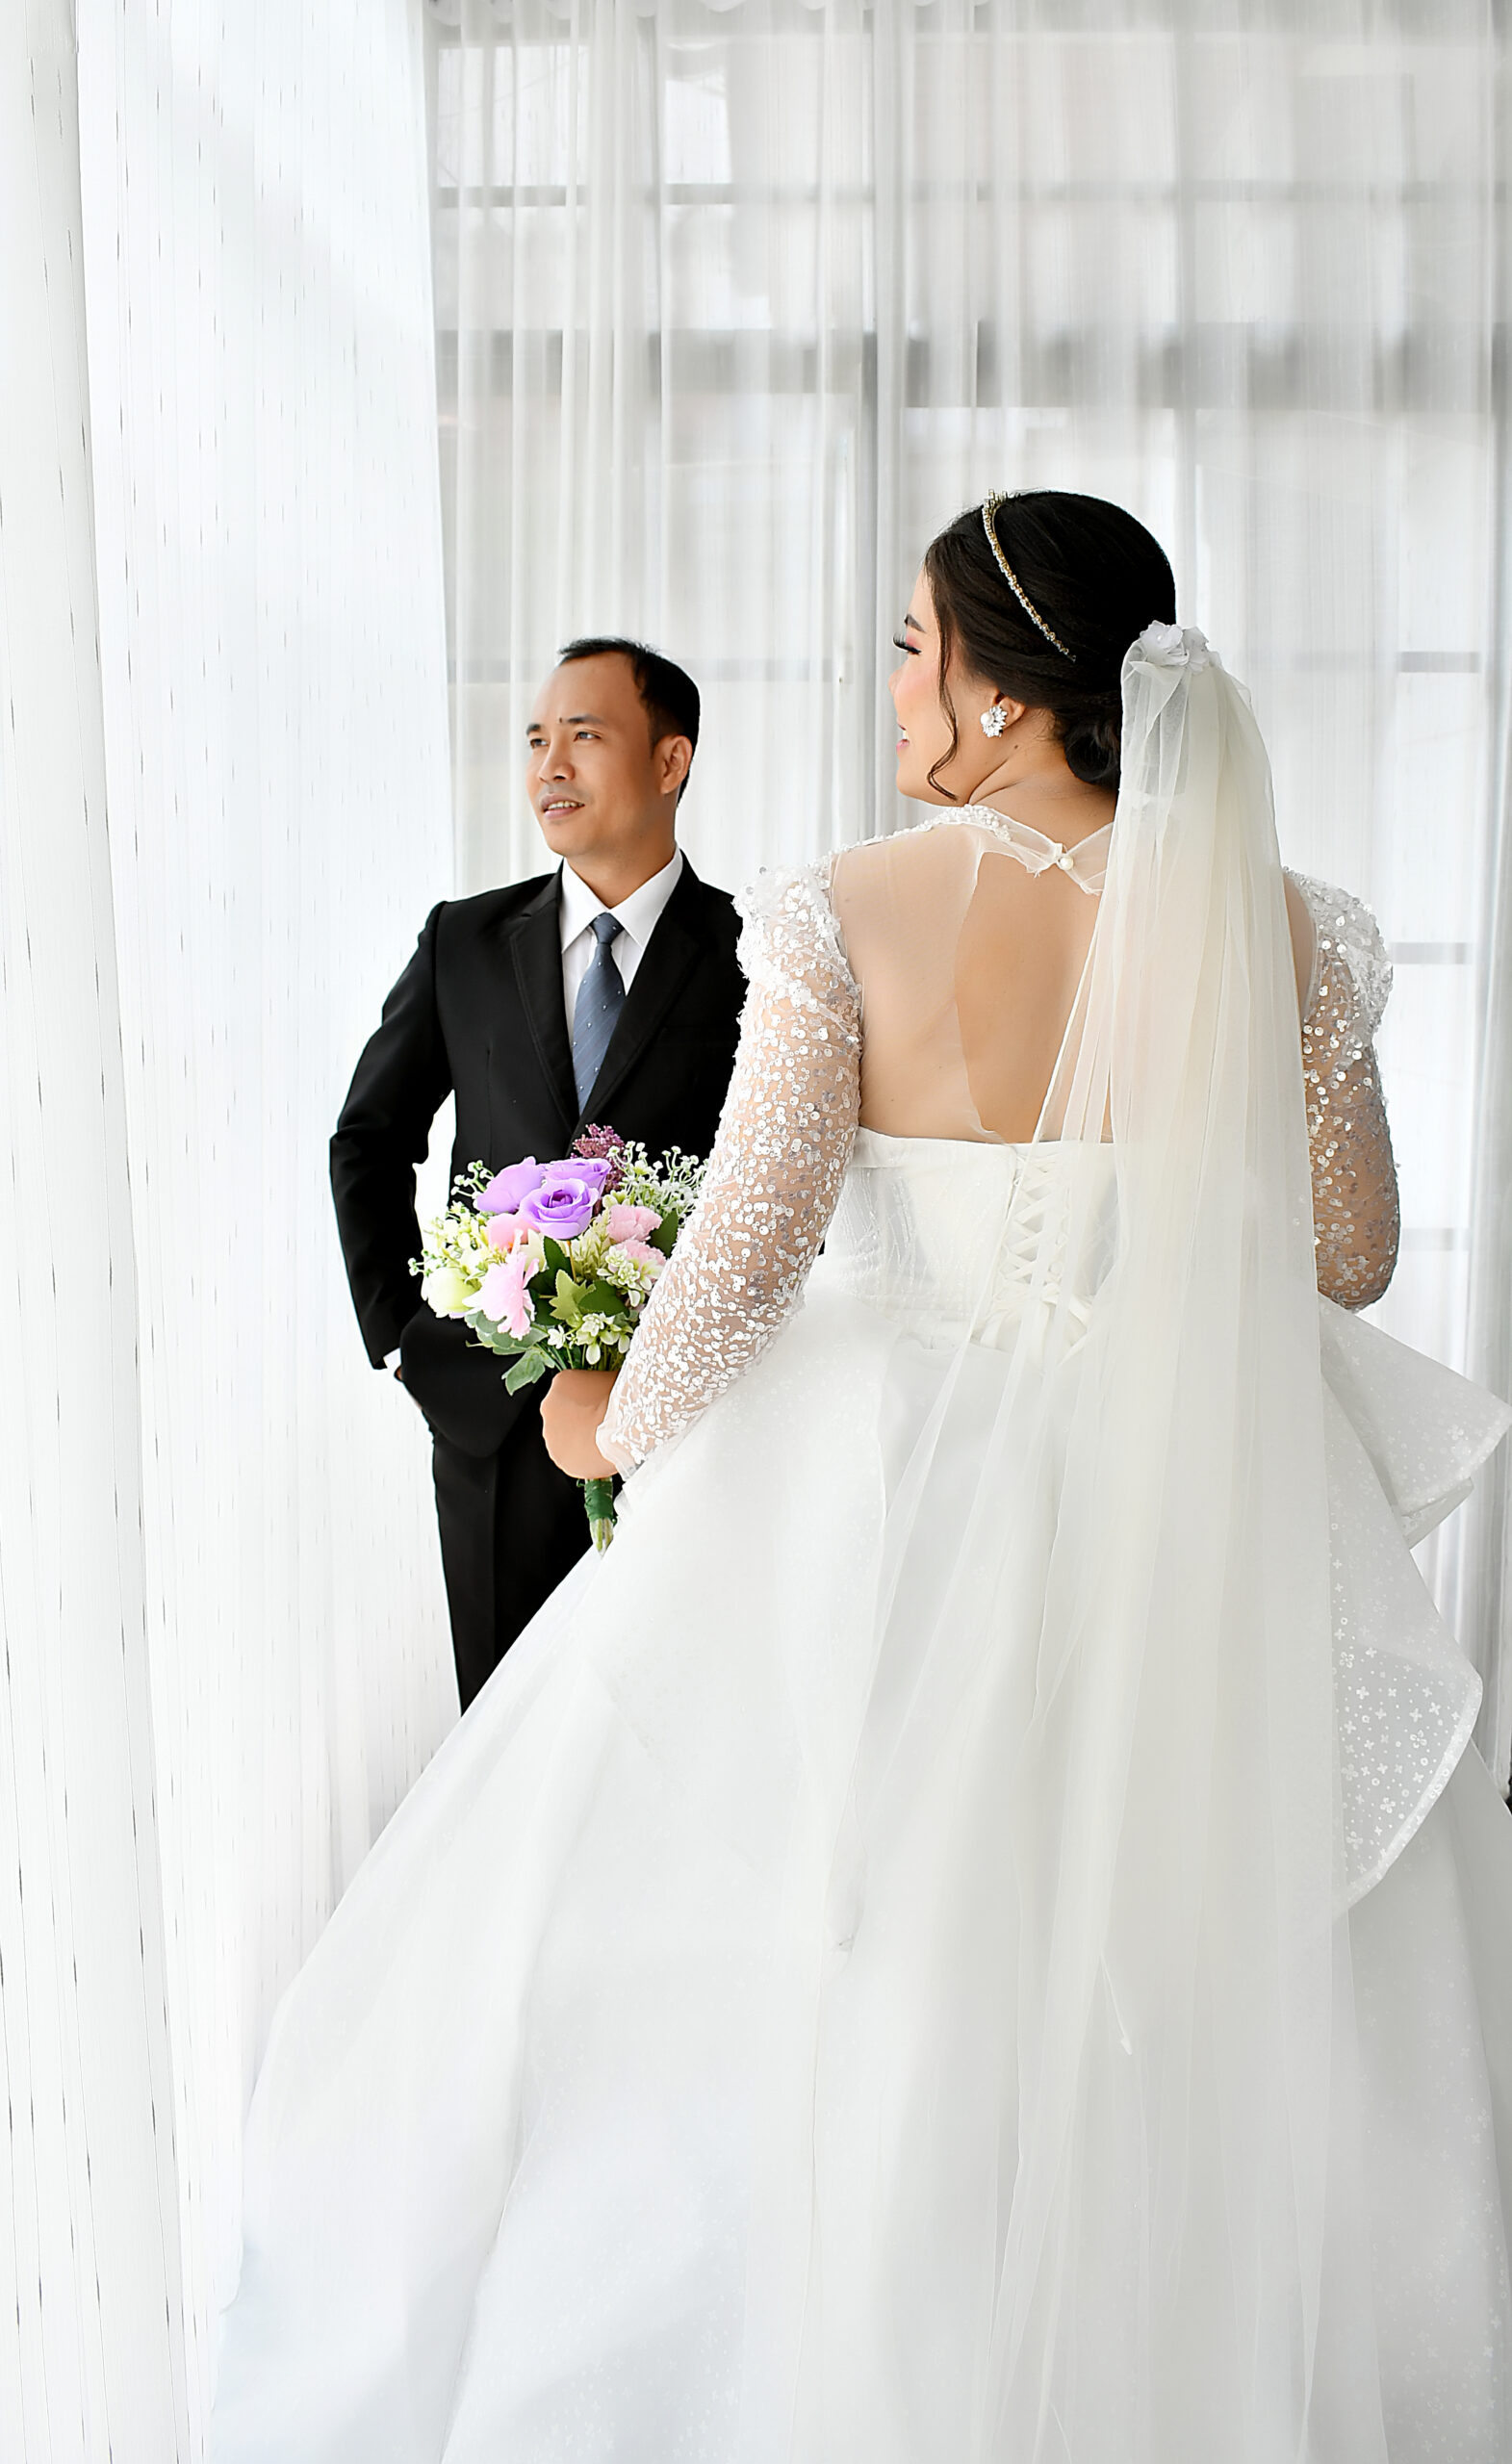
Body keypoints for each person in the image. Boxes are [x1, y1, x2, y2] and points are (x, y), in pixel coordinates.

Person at [218, 494, 1512, 2462]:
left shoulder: (845, 907)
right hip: (1189, 1523)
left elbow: (746, 1253)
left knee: (860, 1964)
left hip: (897, 1503)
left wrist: (604, 1426)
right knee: (1181, 1967)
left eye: (914, 646)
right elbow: (1346, 1253)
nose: (892, 682)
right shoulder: (1292, 929)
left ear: (999, 693)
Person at [330, 638, 745, 1707]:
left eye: (584, 735)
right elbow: (369, 1135)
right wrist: (403, 1341)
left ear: (670, 761)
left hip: (682, 1428)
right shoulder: (463, 941)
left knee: (667, 1729)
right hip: (492, 1416)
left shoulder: (751, 953)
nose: (549, 765)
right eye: (534, 740)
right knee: (501, 1734)